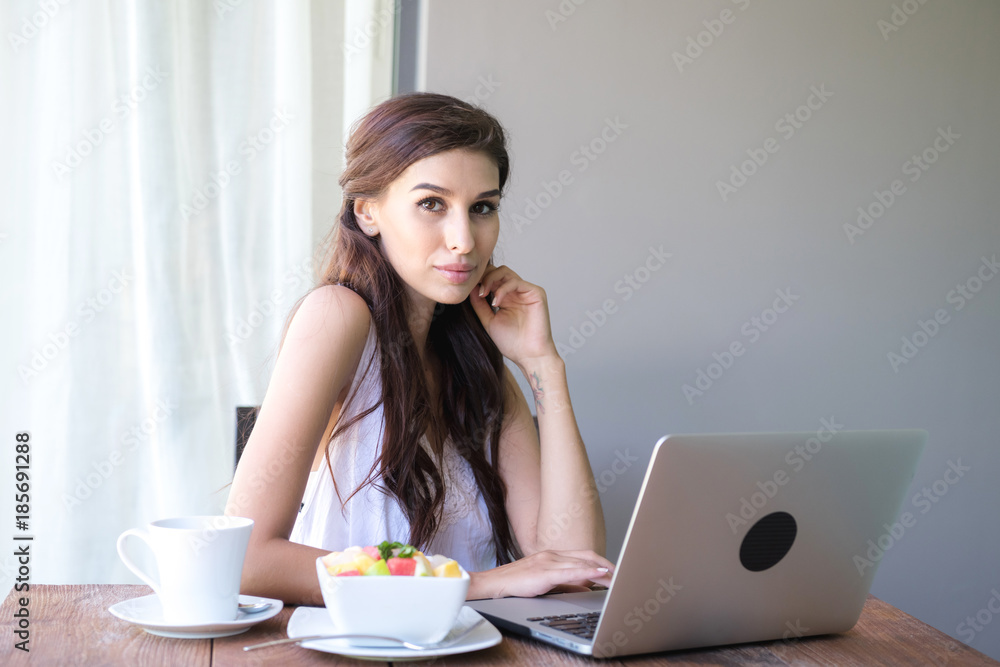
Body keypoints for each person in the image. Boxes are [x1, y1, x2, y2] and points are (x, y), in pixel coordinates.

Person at [226, 92, 611, 606]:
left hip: (466, 650)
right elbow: (249, 557)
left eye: (482, 208)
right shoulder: (338, 316)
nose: (464, 240)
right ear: (368, 212)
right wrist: (474, 584)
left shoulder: (476, 362)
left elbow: (574, 564)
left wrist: (544, 365)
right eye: (432, 204)